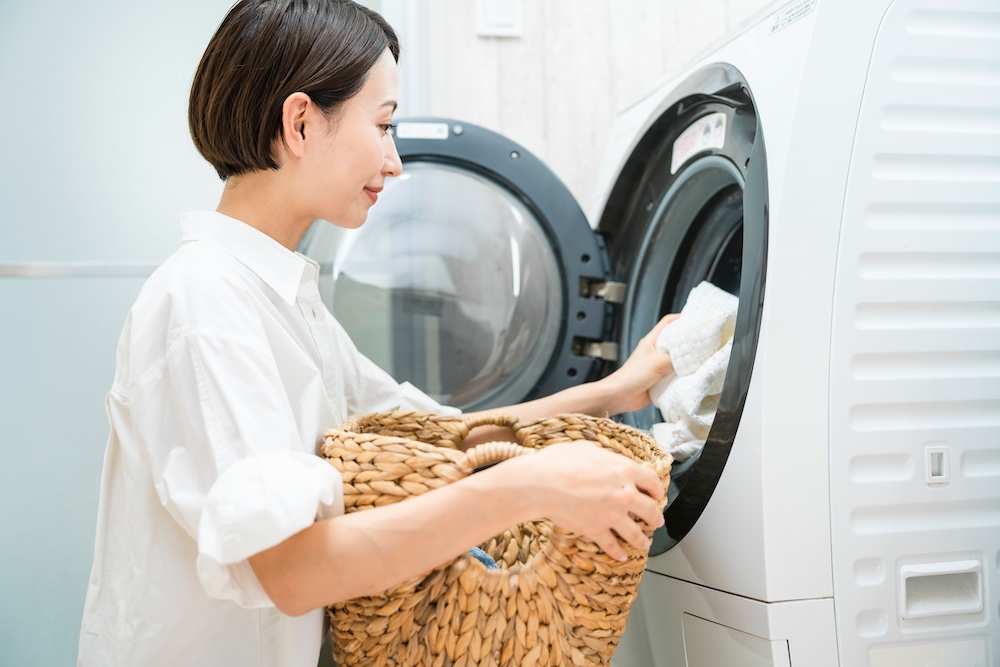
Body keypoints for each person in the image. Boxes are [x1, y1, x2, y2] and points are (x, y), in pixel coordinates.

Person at [77, 1, 677, 665]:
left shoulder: (288, 306)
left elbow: (445, 437)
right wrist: (533, 487)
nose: (393, 161)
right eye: (383, 124)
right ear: (300, 123)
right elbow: (292, 570)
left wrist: (614, 393)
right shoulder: (204, 301)